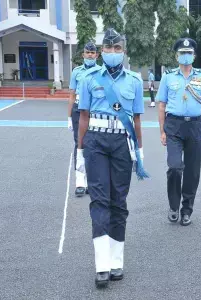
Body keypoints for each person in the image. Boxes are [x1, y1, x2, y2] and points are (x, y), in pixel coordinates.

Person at [77, 28, 148, 288]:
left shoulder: (134, 81)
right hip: (95, 141)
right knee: (99, 200)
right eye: (108, 48)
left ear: (124, 51)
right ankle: (102, 265)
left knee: (119, 200)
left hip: (121, 143)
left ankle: (117, 261)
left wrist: (139, 151)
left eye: (118, 48)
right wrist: (80, 151)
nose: (113, 53)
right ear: (101, 51)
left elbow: (137, 120)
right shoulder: (88, 78)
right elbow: (83, 117)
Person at [157, 37, 201, 226]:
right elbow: (161, 105)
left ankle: (186, 209)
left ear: (194, 55)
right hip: (174, 125)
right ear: (177, 56)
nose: (185, 56)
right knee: (174, 167)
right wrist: (162, 131)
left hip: (195, 127)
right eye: (182, 53)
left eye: (189, 53)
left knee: (192, 171)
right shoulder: (168, 76)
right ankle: (173, 206)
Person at [68, 41, 98, 197]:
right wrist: (68, 117)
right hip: (78, 110)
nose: (90, 55)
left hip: (94, 111)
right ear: (83, 55)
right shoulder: (76, 72)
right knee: (79, 144)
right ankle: (80, 181)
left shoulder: (101, 72)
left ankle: (92, 181)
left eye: (93, 53)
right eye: (88, 52)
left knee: (94, 144)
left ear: (97, 55)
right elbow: (72, 95)